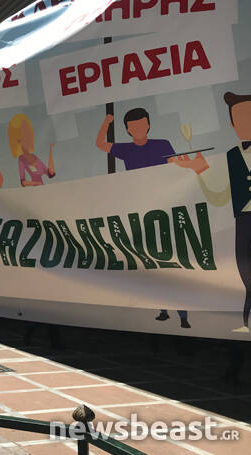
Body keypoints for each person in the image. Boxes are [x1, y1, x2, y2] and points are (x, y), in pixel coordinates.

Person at [96, 108, 190, 327]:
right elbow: (100, 143)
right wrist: (107, 121)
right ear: (128, 129)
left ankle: (183, 315)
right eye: (133, 126)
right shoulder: (126, 149)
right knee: (153, 264)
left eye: (141, 124)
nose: (138, 128)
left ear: (148, 124)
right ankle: (163, 309)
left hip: (165, 208)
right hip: (142, 210)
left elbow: (174, 166)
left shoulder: (162, 144)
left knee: (174, 263)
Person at [174, 91, 251, 333]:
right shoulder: (231, 156)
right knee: (245, 277)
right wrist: (199, 170)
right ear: (232, 124)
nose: (246, 123)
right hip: (243, 223)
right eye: (239, 119)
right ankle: (246, 324)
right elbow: (219, 196)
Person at [8, 114, 56, 187]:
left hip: (41, 187)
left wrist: (50, 149)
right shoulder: (22, 160)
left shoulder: (32, 158)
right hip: (36, 187)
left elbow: (51, 172)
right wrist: (36, 183)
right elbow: (23, 182)